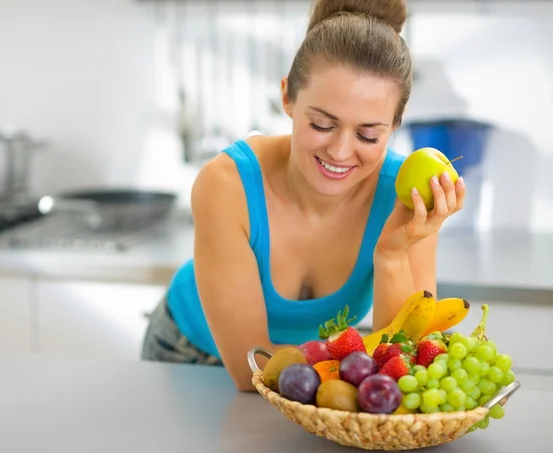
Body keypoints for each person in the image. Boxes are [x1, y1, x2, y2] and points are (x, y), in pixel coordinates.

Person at [141, 0, 465, 392]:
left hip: (308, 377)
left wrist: (394, 253)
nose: (341, 152)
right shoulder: (226, 185)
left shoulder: (406, 196)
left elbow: (400, 364)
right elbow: (251, 370)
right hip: (187, 356)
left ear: (396, 123)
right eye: (322, 124)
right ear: (287, 98)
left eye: (368, 135)